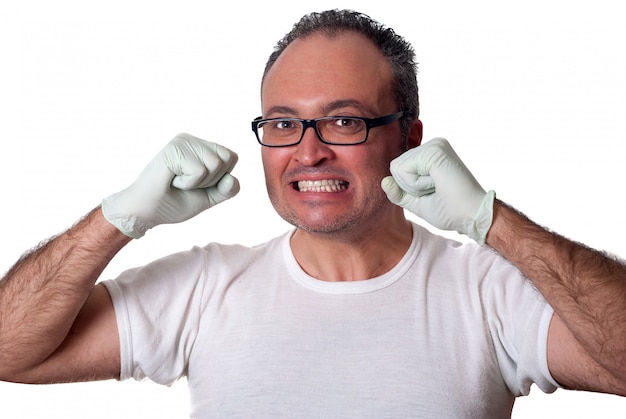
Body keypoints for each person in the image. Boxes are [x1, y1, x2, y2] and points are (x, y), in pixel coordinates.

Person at [0, 8, 624, 418]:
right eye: (282, 123)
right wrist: (119, 218)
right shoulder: (205, 287)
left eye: (344, 120)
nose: (308, 150)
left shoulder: (487, 291)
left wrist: (494, 223)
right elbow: (9, 352)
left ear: (410, 138)